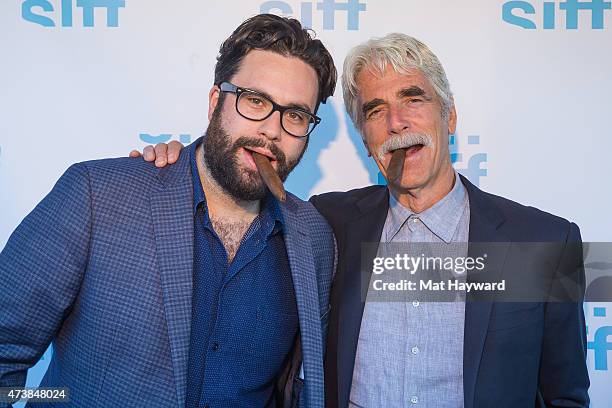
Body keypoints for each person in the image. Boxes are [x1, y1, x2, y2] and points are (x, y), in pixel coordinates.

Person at [143, 33, 590, 408]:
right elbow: (231, 188)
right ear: (364, 138)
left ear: (450, 117)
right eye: (376, 110)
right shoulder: (326, 224)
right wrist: (177, 167)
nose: (397, 123)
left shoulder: (544, 243)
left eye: (414, 98)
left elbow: (563, 397)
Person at [0, 14, 337, 408]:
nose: (272, 130)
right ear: (216, 103)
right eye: (255, 101)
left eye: (295, 115)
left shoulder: (313, 238)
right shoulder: (98, 195)